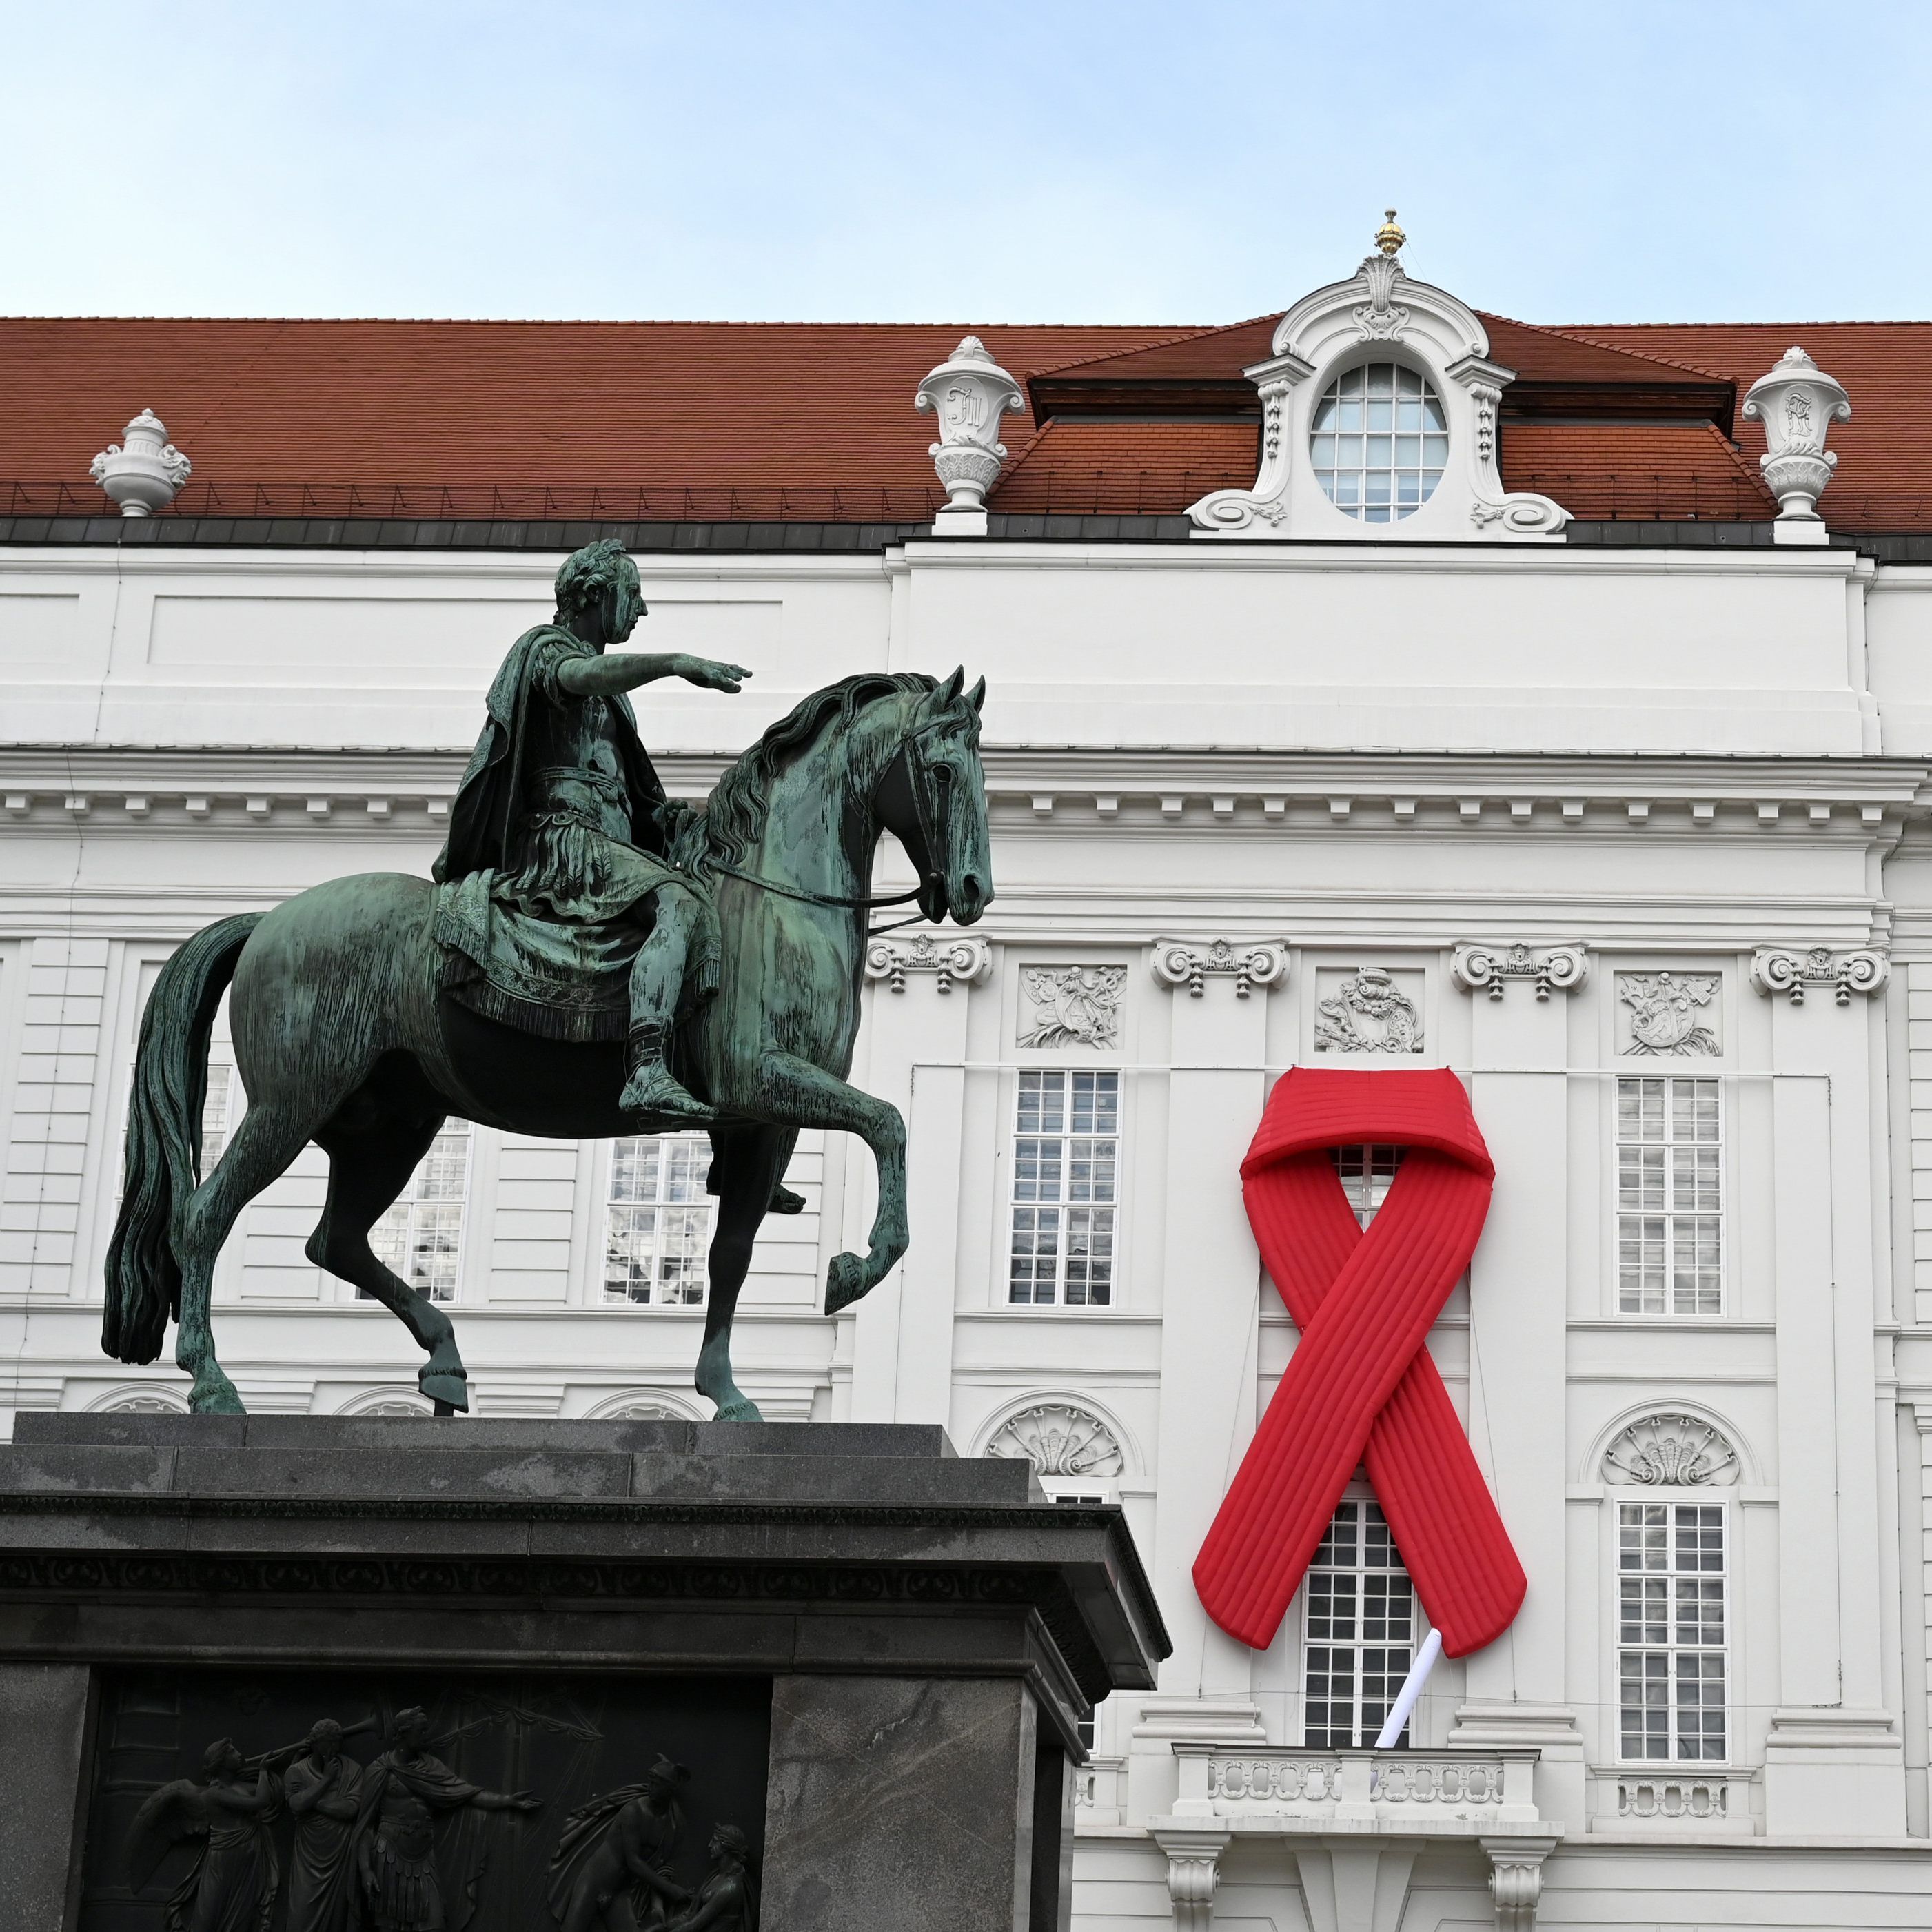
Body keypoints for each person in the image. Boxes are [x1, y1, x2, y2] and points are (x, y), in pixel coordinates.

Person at [433, 538, 751, 1121]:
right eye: (633, 594)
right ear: (595, 595)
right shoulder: (544, 650)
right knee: (679, 904)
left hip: (609, 841)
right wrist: (674, 664)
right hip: (561, 839)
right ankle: (649, 1067)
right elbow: (578, 677)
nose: (642, 609)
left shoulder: (616, 697)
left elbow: (634, 798)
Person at [349, 1707, 540, 1932]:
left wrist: (508, 1800)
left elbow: (467, 1793)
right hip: (389, 1855)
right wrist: (365, 1869)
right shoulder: (379, 1770)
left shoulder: (431, 1767)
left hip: (423, 1858)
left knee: (435, 1923)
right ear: (404, 1733)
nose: (426, 1735)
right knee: (391, 1925)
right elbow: (366, 1826)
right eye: (421, 1731)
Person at [546, 1753, 691, 1932]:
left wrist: (657, 1906)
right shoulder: (633, 1811)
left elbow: (661, 1867)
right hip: (594, 1881)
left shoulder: (674, 1824)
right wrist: (670, 1889)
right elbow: (633, 1861)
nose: (650, 1788)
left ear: (670, 1789)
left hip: (620, 1891)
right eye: (650, 1782)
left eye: (657, 1785)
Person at [172, 1738, 281, 1932]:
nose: (239, 1754)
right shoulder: (214, 1794)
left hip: (247, 1859)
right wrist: (264, 1771)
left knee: (243, 1914)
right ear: (220, 1763)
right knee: (210, 1912)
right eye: (232, 1752)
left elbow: (269, 1794)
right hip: (224, 1861)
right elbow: (260, 1802)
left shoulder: (240, 1787)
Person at [284, 1718, 363, 1932]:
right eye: (329, 1742)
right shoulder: (297, 1771)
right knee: (302, 1914)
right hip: (309, 1857)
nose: (334, 1748)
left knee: (337, 1919)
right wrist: (327, 1780)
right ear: (315, 1743)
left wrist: (314, 1803)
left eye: (338, 1742)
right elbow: (297, 1804)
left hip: (340, 1855)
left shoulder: (352, 1769)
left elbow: (350, 1809)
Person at [658, 1824, 756, 1932]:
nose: (710, 1845)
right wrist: (661, 1928)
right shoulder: (716, 1875)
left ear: (725, 1846)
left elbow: (693, 1926)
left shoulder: (730, 1887)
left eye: (715, 1841)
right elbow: (690, 1915)